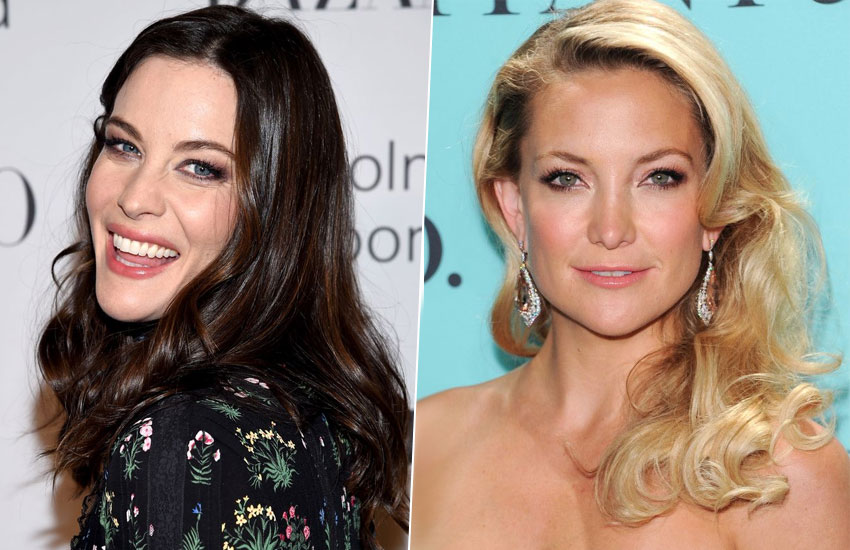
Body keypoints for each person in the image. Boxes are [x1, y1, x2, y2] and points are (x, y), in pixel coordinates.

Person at [411, 0, 850, 548]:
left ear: (715, 209)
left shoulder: (782, 477)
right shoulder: (421, 448)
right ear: (514, 207)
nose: (611, 229)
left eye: (659, 177)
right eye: (567, 178)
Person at [37, 6, 409, 549]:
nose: (134, 198)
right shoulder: (304, 410)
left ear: (278, 210)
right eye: (124, 145)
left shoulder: (190, 443)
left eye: (200, 168)